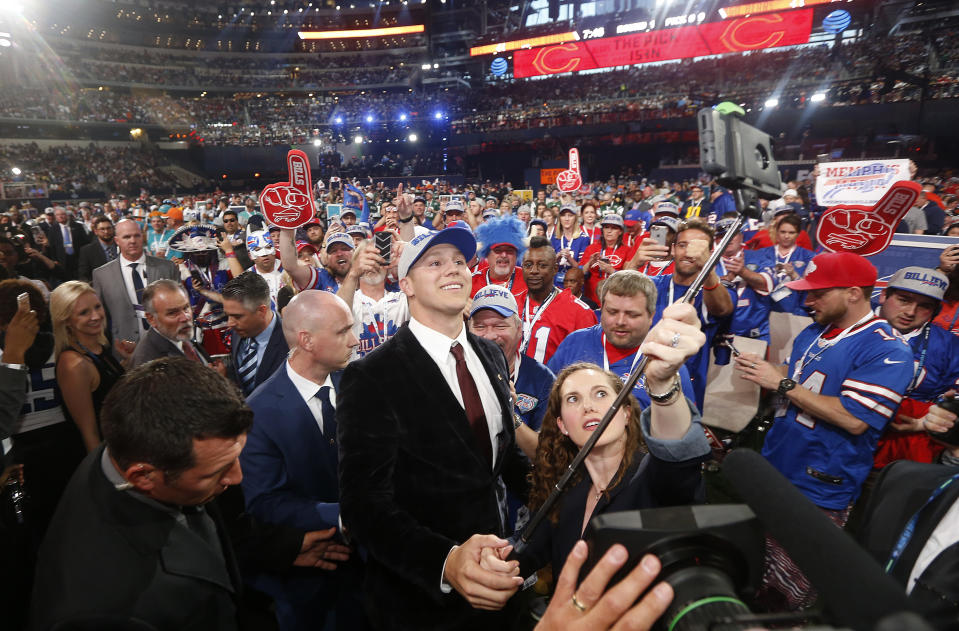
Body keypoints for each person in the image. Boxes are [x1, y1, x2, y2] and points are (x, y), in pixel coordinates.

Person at [337, 226, 531, 630]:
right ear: (405, 284)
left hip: (498, 583)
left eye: (460, 261)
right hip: (419, 603)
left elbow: (498, 457)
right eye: (435, 262)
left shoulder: (490, 354)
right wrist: (445, 562)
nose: (454, 270)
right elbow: (364, 504)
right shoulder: (372, 376)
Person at [30, 357, 315, 631]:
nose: (237, 477)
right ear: (143, 476)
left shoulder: (131, 444)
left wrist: (278, 547)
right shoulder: (110, 611)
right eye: (215, 472)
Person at [735, 251, 914, 610]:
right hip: (777, 468)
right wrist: (767, 373)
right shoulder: (814, 332)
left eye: (818, 292)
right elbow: (800, 383)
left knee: (785, 597)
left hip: (820, 484)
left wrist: (782, 383)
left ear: (853, 293)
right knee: (751, 575)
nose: (808, 299)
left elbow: (854, 418)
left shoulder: (888, 349)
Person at [507, 301, 710, 581]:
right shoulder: (564, 492)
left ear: (626, 413)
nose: (588, 406)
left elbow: (678, 459)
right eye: (573, 399)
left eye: (601, 394)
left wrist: (662, 385)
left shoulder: (652, 477)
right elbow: (521, 560)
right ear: (563, 426)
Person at [241, 290, 364, 631]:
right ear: (307, 340)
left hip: (372, 578)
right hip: (309, 589)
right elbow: (265, 501)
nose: (354, 340)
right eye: (343, 331)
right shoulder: (259, 412)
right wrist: (345, 515)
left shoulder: (358, 383)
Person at [549, 270, 697, 406]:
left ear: (651, 316)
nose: (620, 322)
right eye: (612, 312)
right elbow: (548, 405)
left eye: (632, 314)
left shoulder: (666, 361)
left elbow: (684, 431)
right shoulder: (573, 343)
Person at [873, 267, 959, 467]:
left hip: (904, 455)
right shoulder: (851, 327)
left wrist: (942, 411)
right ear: (884, 295)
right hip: (837, 444)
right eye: (904, 300)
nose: (911, 312)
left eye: (924, 306)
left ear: (935, 311)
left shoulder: (949, 346)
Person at [468, 285, 554, 460]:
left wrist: (509, 413)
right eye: (480, 326)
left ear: (519, 330)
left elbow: (545, 456)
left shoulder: (543, 380)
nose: (489, 336)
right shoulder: (452, 370)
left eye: (500, 326)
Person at [50, 281, 127, 453]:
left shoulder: (97, 347)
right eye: (84, 312)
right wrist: (103, 476)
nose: (96, 316)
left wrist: (127, 361)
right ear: (66, 320)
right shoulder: (73, 364)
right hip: (105, 456)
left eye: (97, 307)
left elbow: (105, 385)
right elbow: (89, 433)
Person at [92, 218, 179, 344]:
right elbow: (100, 316)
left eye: (136, 236)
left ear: (142, 237)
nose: (132, 241)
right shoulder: (101, 275)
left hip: (167, 343)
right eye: (127, 237)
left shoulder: (167, 267)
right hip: (124, 348)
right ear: (117, 241)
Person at [519, 236, 597, 365]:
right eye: (528, 265)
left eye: (542, 265)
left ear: (555, 269)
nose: (533, 271)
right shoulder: (511, 303)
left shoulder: (580, 312)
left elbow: (586, 366)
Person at [336, 239, 409, 360]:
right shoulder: (348, 300)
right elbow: (335, 319)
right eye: (367, 259)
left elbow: (433, 304)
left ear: (387, 264)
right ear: (356, 263)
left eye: (378, 259)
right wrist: (353, 273)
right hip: (358, 376)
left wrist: (411, 257)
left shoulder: (402, 300)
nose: (372, 265)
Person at [222, 272, 289, 397]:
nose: (230, 323)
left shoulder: (290, 343)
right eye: (227, 315)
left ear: (261, 311)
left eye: (237, 316)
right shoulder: (239, 331)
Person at [130, 279, 221, 370]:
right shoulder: (148, 363)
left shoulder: (178, 333)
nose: (185, 317)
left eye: (186, 308)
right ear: (151, 319)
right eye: (173, 313)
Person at [471, 215, 529, 304]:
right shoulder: (471, 282)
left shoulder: (529, 279)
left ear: (516, 255)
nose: (504, 255)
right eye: (498, 250)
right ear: (487, 254)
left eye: (509, 251)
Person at [280, 228, 354, 294]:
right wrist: (288, 228)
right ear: (327, 258)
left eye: (344, 249)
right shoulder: (321, 277)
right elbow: (291, 267)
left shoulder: (364, 275)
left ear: (355, 252)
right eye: (333, 251)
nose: (339, 254)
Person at [579, 214, 631, 306]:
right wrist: (589, 263)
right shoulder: (591, 248)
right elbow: (580, 274)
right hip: (591, 300)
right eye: (606, 227)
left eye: (614, 228)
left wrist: (612, 271)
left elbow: (628, 280)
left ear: (620, 231)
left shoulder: (627, 250)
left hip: (615, 299)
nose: (609, 231)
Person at [550, 204, 590, 288]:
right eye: (563, 215)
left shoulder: (583, 239)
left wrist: (569, 258)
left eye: (570, 215)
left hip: (575, 284)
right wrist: (557, 257)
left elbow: (583, 269)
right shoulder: (554, 238)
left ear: (575, 218)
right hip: (557, 283)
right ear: (559, 218)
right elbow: (549, 266)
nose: (566, 219)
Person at [45, 207, 89, 281]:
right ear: (56, 217)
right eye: (58, 215)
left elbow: (85, 242)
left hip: (77, 258)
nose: (61, 216)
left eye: (62, 214)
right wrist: (54, 259)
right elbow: (52, 246)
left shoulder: (78, 226)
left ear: (67, 215)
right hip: (62, 260)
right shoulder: (53, 229)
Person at [76, 215, 117, 282]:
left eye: (109, 228)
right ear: (96, 231)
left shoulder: (121, 245)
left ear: (113, 229)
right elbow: (83, 276)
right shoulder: (87, 251)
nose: (106, 232)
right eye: (102, 229)